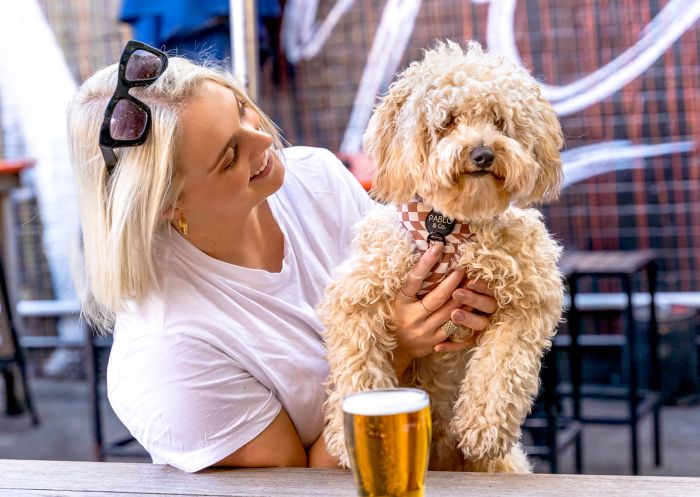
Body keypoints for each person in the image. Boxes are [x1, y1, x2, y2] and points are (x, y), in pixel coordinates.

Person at [66, 41, 498, 472]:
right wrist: (395, 351)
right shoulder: (166, 355)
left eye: (240, 109)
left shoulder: (315, 175)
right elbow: (300, 484)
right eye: (230, 156)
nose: (262, 139)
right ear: (168, 205)